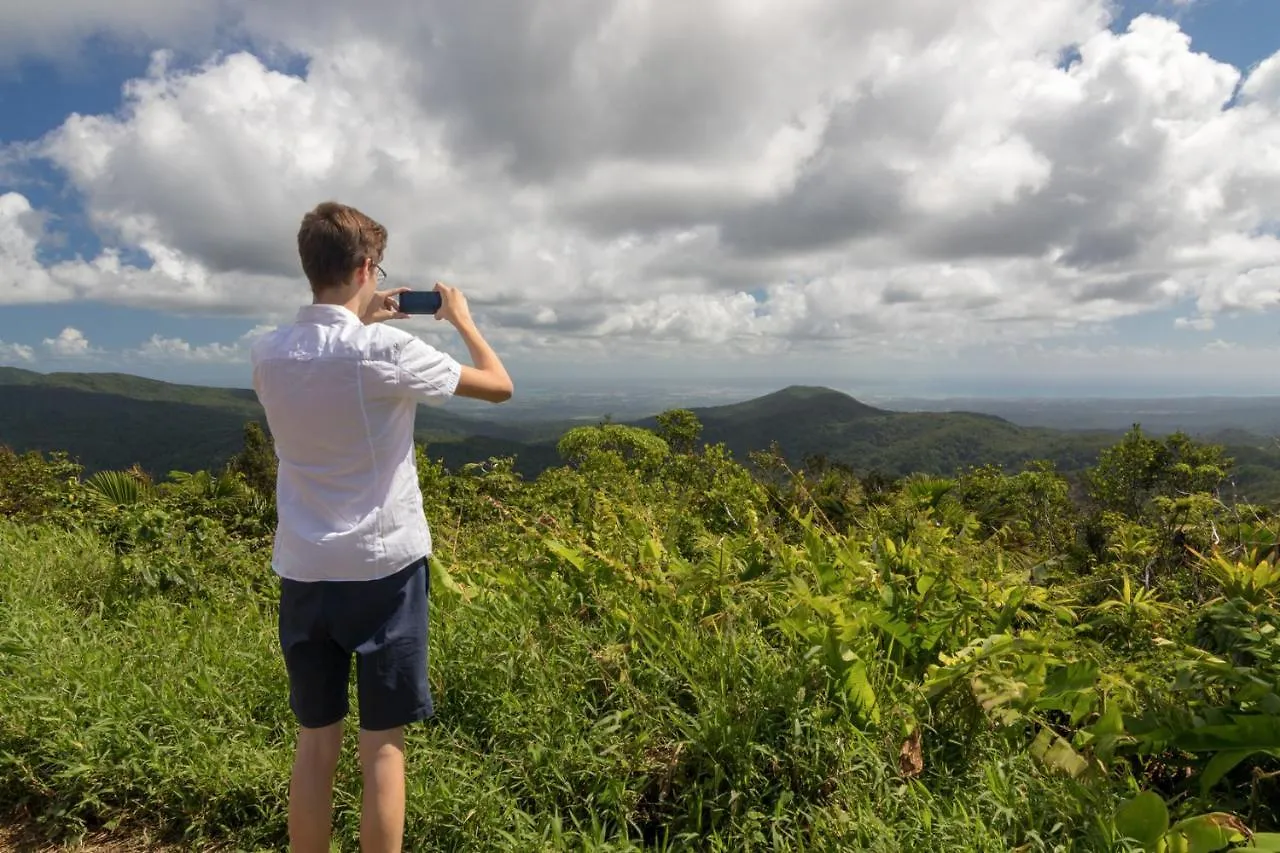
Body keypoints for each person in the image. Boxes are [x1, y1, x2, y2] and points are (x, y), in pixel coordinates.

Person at [250, 201, 513, 853]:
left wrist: (361, 310)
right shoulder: (385, 351)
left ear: (312, 266)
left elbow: (329, 358)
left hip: (305, 570)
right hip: (384, 575)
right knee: (382, 751)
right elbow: (499, 385)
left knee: (316, 745)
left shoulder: (268, 353)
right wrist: (463, 320)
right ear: (368, 266)